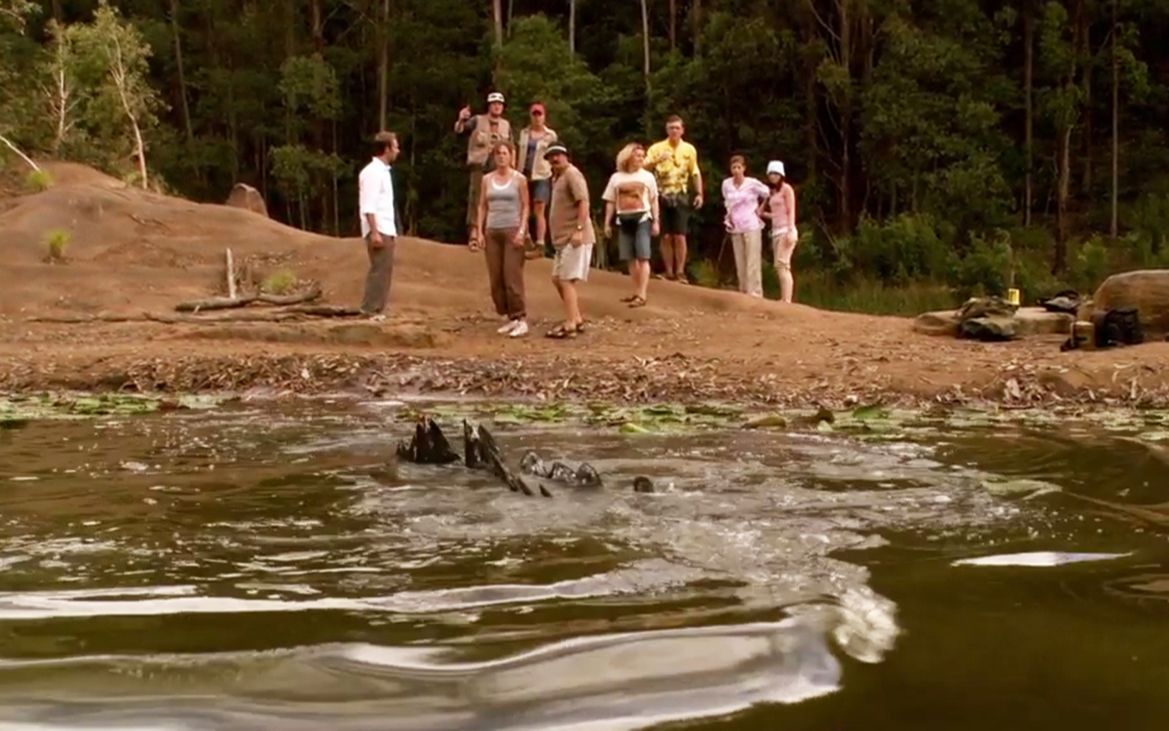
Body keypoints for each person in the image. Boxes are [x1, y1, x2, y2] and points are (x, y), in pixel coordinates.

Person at [476, 142, 531, 338]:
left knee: (512, 276)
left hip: (512, 229)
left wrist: (522, 230)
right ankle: (510, 317)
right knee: (496, 278)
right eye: (498, 153)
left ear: (511, 156)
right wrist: (479, 231)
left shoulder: (519, 179)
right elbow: (482, 205)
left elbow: (526, 206)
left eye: (505, 153)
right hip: (492, 230)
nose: (501, 156)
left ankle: (521, 317)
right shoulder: (486, 180)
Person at [544, 144, 596, 339]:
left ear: (566, 156)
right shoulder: (556, 178)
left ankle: (570, 323)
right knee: (557, 278)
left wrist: (579, 229)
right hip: (562, 238)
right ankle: (576, 317)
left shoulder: (572, 174)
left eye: (557, 155)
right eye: (551, 156)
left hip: (575, 236)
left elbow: (583, 201)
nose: (554, 159)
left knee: (566, 280)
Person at [645, 115, 704, 283]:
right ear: (667, 130)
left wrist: (699, 193)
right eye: (671, 128)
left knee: (680, 235)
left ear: (682, 130)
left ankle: (680, 272)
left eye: (677, 128)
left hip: (681, 194)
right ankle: (668, 271)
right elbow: (643, 166)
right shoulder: (657, 148)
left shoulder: (689, 149)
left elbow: (695, 172)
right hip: (661, 194)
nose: (674, 131)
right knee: (665, 236)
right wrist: (657, 160)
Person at [602, 142, 659, 308]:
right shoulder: (616, 178)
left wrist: (656, 220)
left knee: (643, 255)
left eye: (642, 156)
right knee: (630, 257)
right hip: (624, 218)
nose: (641, 159)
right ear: (628, 157)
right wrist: (607, 223)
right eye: (637, 155)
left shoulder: (647, 177)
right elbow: (610, 201)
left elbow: (654, 200)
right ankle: (636, 290)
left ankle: (643, 293)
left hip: (642, 217)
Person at [454, 91, 514, 248]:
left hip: (499, 169)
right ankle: (474, 233)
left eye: (500, 104)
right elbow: (460, 131)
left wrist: (512, 167)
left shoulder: (506, 125)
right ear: (489, 105)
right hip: (479, 165)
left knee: (496, 200)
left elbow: (511, 147)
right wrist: (461, 119)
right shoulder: (477, 120)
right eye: (494, 104)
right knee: (476, 199)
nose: (497, 107)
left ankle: (491, 235)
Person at [357, 131, 401, 321]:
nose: (398, 150)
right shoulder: (373, 173)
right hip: (379, 229)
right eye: (395, 146)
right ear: (387, 149)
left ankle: (377, 309)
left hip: (386, 227)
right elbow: (369, 204)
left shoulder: (383, 172)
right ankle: (370, 309)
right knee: (379, 269)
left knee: (385, 269)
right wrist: (375, 232)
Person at [721, 155, 769, 298]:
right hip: (736, 225)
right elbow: (727, 201)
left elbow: (766, 193)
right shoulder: (726, 184)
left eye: (739, 167)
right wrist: (728, 215)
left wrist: (760, 208)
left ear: (744, 169)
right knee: (740, 259)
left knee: (752, 259)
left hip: (751, 224)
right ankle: (743, 289)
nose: (736, 170)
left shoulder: (752, 183)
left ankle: (755, 291)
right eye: (733, 167)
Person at [515, 102, 558, 254]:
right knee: (523, 207)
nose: (537, 117)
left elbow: (555, 156)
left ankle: (540, 243)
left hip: (542, 174)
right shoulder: (524, 133)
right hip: (523, 173)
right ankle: (526, 237)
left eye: (540, 114)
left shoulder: (550, 135)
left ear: (544, 116)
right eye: (534, 114)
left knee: (539, 208)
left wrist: (556, 173)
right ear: (530, 116)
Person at [761, 160, 798, 303]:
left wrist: (790, 230)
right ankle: (784, 297)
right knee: (779, 266)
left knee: (782, 265)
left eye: (776, 173)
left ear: (781, 175)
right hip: (776, 231)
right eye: (770, 173)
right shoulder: (772, 192)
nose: (773, 176)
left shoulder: (787, 189)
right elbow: (768, 213)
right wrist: (765, 200)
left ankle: (786, 299)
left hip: (786, 230)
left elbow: (791, 211)